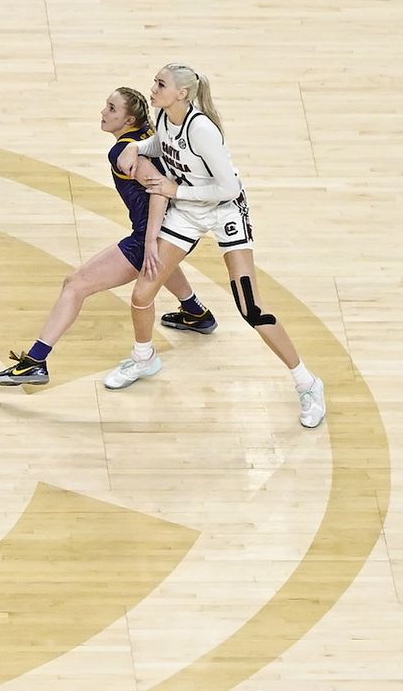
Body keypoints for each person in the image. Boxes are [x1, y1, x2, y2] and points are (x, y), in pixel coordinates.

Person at [110, 64, 326, 428]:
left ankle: (307, 383)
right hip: (190, 211)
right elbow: (160, 144)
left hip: (224, 210)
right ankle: (144, 357)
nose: (153, 89)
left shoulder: (203, 130)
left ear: (181, 93)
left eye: (160, 84)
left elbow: (228, 188)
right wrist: (136, 148)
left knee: (251, 307)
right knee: (142, 291)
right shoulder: (164, 117)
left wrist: (177, 191)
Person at [0, 87, 218, 386]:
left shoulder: (124, 152)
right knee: (160, 263)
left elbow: (161, 188)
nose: (103, 112)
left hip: (159, 231)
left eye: (112, 109)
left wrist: (150, 242)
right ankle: (195, 313)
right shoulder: (149, 134)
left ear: (128, 119)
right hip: (181, 229)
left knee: (76, 284)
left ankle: (35, 361)